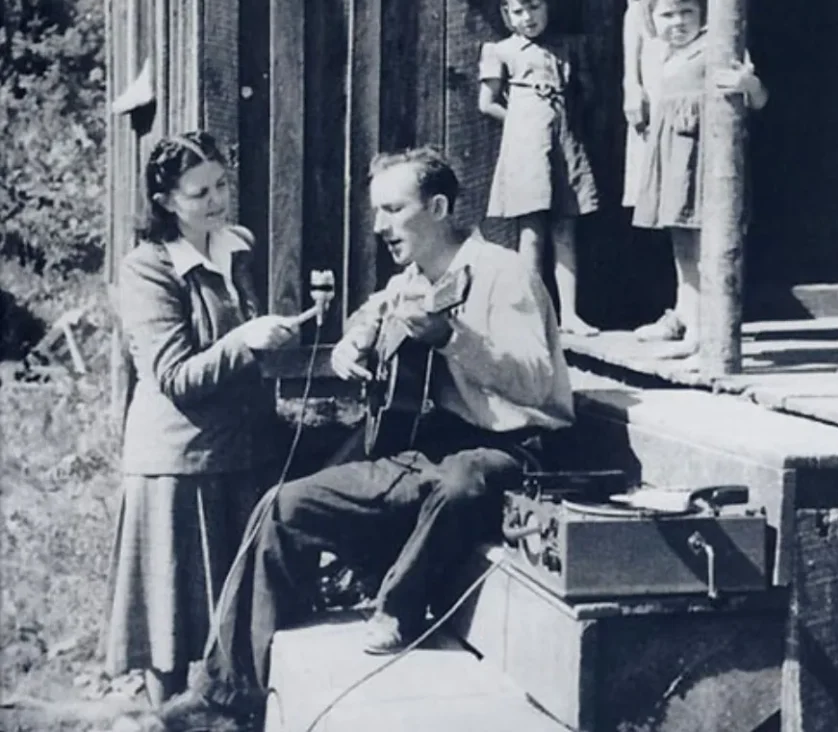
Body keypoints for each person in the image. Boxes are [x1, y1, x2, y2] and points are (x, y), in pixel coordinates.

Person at [159, 147, 575, 732]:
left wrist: (454, 338)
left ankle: (399, 608)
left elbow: (534, 380)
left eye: (392, 210)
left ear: (437, 208)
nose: (378, 226)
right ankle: (226, 697)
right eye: (376, 211)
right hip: (431, 446)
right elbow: (369, 318)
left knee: (461, 484)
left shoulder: (503, 272)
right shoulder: (410, 281)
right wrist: (351, 343)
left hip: (511, 445)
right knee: (285, 505)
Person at [104, 131, 303, 707]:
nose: (216, 200)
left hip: (238, 457)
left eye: (221, 185)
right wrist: (246, 339)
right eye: (199, 193)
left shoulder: (233, 247)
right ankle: (161, 719)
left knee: (233, 621)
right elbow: (174, 376)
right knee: (172, 630)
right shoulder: (148, 268)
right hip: (177, 468)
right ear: (165, 201)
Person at [631, 0, 768, 355]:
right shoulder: (664, 54)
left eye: (686, 12)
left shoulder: (716, 48)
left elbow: (758, 100)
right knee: (682, 242)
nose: (677, 23)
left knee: (709, 242)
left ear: (703, 12)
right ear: (652, 20)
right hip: (675, 159)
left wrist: (749, 86)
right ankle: (686, 316)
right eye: (667, 15)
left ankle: (709, 328)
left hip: (705, 160)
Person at [622, 0, 710, 342]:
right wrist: (632, 84)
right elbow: (635, 12)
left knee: (701, 189)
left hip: (697, 68)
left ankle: (708, 315)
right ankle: (682, 308)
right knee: (671, 197)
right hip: (657, 70)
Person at [478, 0, 599, 337]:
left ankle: (570, 315)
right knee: (531, 233)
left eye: (535, 7)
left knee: (565, 228)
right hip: (527, 147)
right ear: (505, 14)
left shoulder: (566, 48)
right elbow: (486, 103)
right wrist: (521, 120)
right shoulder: (501, 51)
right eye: (518, 10)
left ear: (548, 7)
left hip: (564, 144)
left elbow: (588, 93)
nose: (528, 17)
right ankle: (530, 315)